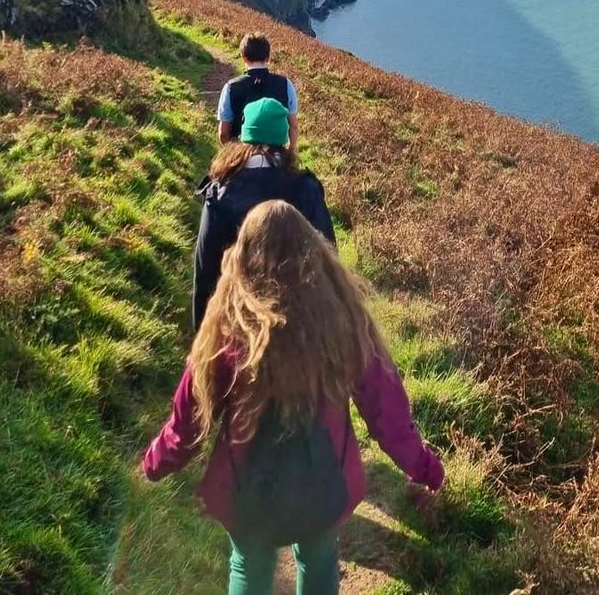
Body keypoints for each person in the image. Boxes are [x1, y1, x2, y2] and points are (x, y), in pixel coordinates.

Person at [143, 201, 444, 595]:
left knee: (248, 567)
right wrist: (424, 467)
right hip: (323, 485)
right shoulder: (344, 324)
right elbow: (386, 411)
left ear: (243, 257)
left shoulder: (226, 330)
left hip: (247, 488)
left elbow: (188, 422)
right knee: (318, 561)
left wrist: (154, 464)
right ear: (314, 253)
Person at [193, 95, 334, 331]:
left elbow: (205, 266)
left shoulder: (221, 191)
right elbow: (329, 258)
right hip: (295, 322)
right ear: (285, 138)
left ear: (244, 136)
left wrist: (202, 331)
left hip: (235, 315)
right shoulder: (306, 189)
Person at [218, 34, 298, 151]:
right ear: (268, 57)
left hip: (243, 152)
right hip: (276, 153)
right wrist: (290, 152)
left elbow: (224, 133)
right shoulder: (286, 84)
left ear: (243, 56)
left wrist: (232, 155)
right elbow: (294, 127)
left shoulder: (230, 87)